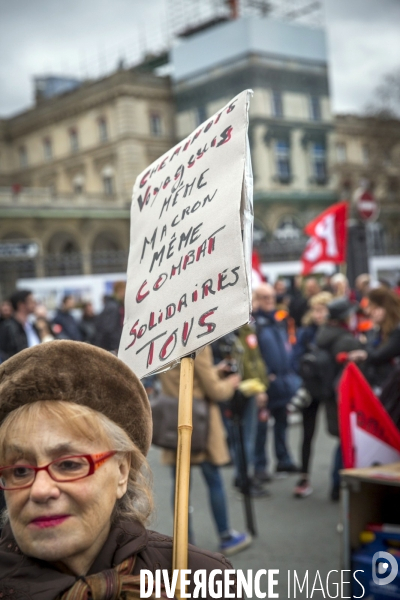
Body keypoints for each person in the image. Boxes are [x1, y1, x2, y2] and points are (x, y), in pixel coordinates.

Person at [0, 341, 238, 599]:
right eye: (21, 471)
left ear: (122, 471)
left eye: (69, 464)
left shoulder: (204, 580)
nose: (40, 490)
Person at [159, 345, 252, 556]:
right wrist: (229, 383)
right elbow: (215, 391)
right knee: (213, 479)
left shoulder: (166, 339)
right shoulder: (198, 342)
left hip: (175, 417)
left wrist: (215, 372)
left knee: (180, 485)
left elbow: (189, 377)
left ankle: (184, 541)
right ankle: (225, 535)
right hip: (200, 421)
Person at [315, 297, 362, 500]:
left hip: (329, 395)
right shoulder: (345, 340)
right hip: (343, 397)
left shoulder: (324, 335)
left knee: (342, 440)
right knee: (347, 441)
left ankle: (336, 484)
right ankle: (339, 485)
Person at [253, 283, 300, 478]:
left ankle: (284, 460)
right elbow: (252, 357)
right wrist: (262, 379)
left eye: (272, 296)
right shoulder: (252, 325)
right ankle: (260, 467)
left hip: (282, 383)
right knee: (261, 429)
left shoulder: (277, 321)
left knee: (282, 424)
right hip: (265, 386)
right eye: (265, 297)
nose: (270, 301)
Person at [291, 292, 333, 498]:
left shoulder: (336, 332)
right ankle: (304, 477)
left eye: (322, 309)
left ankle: (340, 478)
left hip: (332, 389)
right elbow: (295, 358)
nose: (318, 314)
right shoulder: (306, 333)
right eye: (316, 309)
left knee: (338, 432)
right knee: (307, 435)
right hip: (311, 389)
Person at [348, 286, 400, 393]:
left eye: (372, 307)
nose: (368, 312)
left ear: (384, 308)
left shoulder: (396, 331)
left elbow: (377, 356)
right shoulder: (381, 330)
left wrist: (365, 347)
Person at [0, 289, 40, 362]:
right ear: (21, 305)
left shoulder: (32, 326)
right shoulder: (8, 327)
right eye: (31, 301)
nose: (35, 303)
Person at [94, 281, 126, 352]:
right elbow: (110, 329)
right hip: (112, 347)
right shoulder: (113, 307)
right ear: (120, 290)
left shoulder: (113, 305)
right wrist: (115, 347)